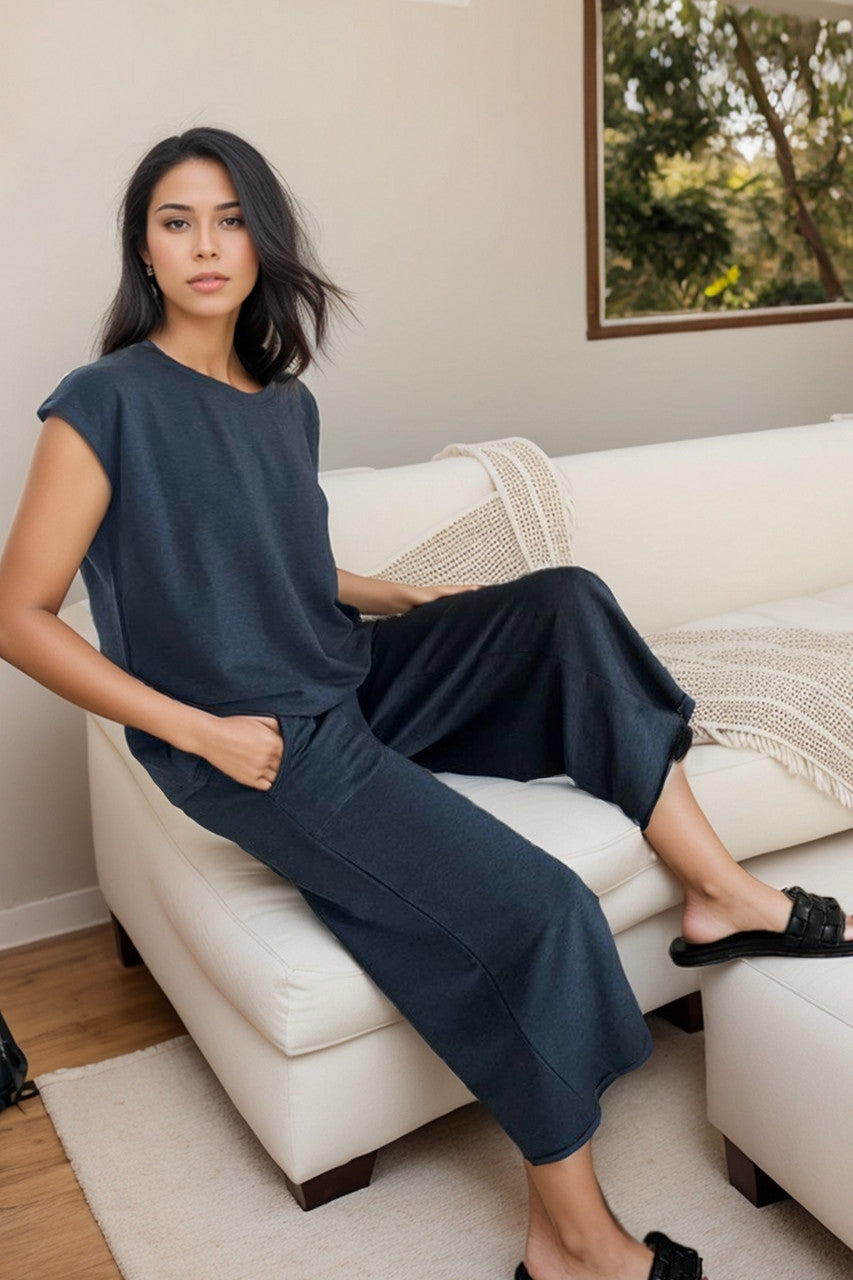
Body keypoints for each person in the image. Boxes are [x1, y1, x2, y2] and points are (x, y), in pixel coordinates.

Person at [1, 127, 851, 1280]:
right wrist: (191, 728)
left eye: (230, 217)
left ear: (262, 242)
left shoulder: (279, 402)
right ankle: (572, 1241)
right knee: (539, 905)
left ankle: (716, 891)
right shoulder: (101, 402)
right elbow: (21, 616)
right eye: (176, 220)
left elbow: (264, 557)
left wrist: (382, 589)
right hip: (256, 737)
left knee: (564, 603)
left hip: (342, 665)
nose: (206, 243)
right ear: (144, 251)